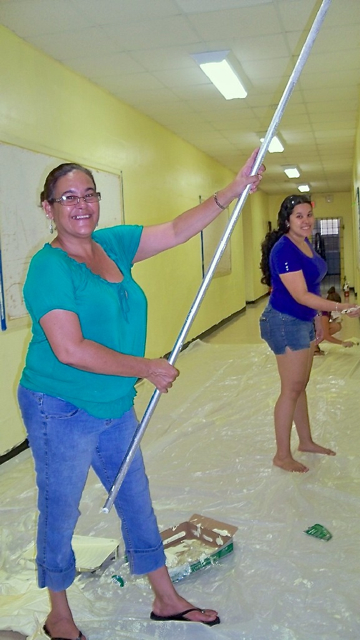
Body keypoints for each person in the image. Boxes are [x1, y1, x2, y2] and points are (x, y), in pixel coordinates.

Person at [17, 150, 264, 640]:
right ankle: (59, 613)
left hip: (113, 403)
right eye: (68, 197)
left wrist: (228, 193)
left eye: (89, 194)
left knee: (135, 497)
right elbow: (69, 349)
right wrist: (147, 367)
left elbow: (174, 231)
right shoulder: (48, 268)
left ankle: (165, 597)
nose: (81, 204)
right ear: (48, 208)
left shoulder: (112, 244)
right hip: (60, 406)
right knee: (61, 507)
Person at [259, 195, 360, 474]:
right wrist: (342, 307)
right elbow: (301, 295)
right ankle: (281, 455)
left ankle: (305, 441)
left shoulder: (305, 244)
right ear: (287, 221)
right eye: (298, 216)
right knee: (290, 388)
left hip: (301, 320)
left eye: (308, 215)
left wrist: (319, 320)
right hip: (283, 322)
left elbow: (312, 286)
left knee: (299, 385)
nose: (305, 221)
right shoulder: (284, 250)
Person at [316, 286, 356, 351]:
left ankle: (314, 344)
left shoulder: (326, 309)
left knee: (337, 325)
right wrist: (342, 343)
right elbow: (325, 335)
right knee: (336, 326)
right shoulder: (324, 313)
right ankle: (313, 345)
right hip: (308, 329)